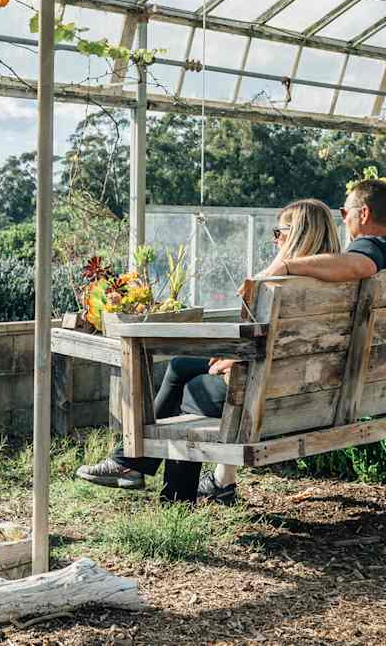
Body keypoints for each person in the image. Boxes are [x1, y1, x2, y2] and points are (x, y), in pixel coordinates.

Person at [76, 198, 341, 505]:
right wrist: (230, 357)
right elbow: (291, 343)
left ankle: (172, 497)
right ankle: (133, 461)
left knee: (195, 390)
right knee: (180, 366)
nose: (274, 239)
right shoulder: (339, 281)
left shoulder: (280, 284)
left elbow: (269, 345)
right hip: (307, 387)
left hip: (267, 391)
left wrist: (230, 361)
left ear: (297, 234)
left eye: (279, 232)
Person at [264, 178, 386, 280]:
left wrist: (287, 265)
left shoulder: (368, 246)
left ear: (364, 213)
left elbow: (361, 266)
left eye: (344, 213)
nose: (344, 220)